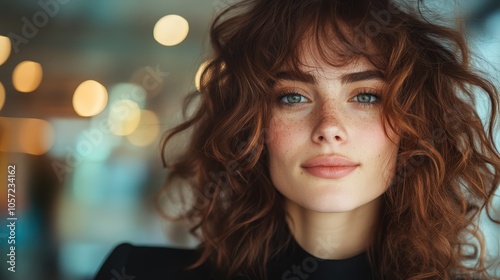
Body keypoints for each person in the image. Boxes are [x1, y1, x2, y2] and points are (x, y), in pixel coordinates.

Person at [94, 0, 500, 279]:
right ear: (253, 126)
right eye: (293, 97)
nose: (328, 126)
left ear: (413, 127)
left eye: (365, 96)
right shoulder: (135, 271)